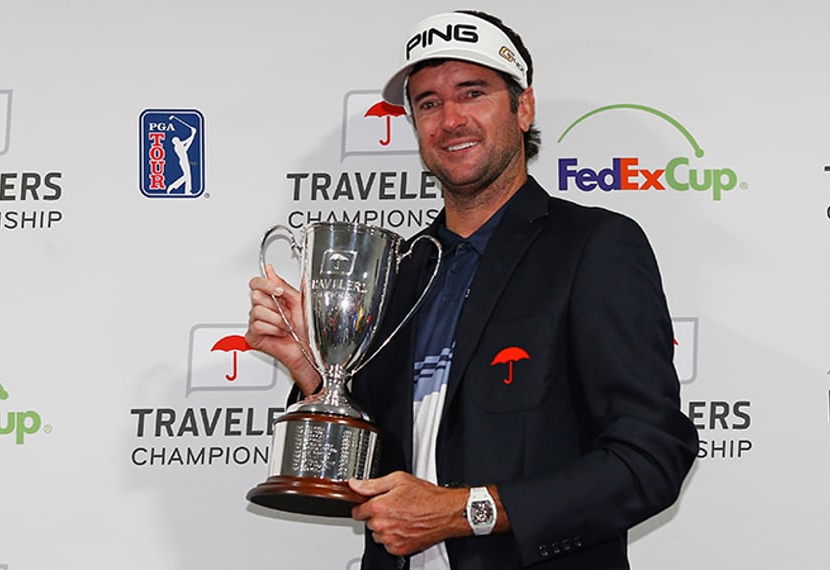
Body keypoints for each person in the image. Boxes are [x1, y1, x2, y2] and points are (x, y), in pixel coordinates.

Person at [246, 10, 698, 570]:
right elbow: (371, 471)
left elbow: (651, 458)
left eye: (473, 93)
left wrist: (468, 511)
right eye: (428, 103)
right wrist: (315, 374)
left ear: (523, 107)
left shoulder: (593, 246)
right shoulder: (399, 269)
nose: (450, 120)